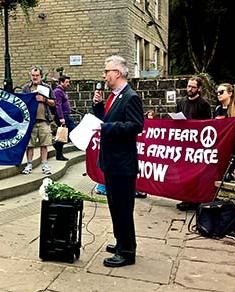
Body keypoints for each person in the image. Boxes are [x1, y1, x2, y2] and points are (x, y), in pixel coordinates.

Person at [92, 55, 144, 267]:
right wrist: (98, 107)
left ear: (118, 73)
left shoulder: (130, 96)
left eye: (107, 71)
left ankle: (128, 251)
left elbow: (135, 126)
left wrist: (107, 128)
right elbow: (107, 120)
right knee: (114, 206)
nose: (104, 76)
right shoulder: (114, 96)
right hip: (111, 162)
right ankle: (120, 241)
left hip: (123, 164)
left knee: (123, 208)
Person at [175, 76, 211, 211]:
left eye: (193, 87)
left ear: (199, 89)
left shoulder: (204, 104)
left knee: (195, 174)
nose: (189, 89)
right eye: (188, 86)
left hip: (196, 145)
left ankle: (194, 199)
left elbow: (208, 124)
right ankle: (185, 197)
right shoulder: (181, 102)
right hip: (183, 143)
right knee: (182, 172)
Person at [21, 66, 56, 175]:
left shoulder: (46, 87)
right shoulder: (26, 88)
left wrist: (44, 99)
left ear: (41, 76)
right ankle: (29, 164)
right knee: (29, 145)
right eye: (33, 75)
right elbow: (21, 103)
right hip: (30, 122)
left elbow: (54, 103)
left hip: (44, 120)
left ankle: (45, 165)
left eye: (37, 75)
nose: (35, 77)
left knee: (44, 144)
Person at [53, 75, 76, 161]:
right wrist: (61, 117)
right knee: (64, 134)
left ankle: (57, 145)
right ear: (61, 82)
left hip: (66, 115)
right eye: (66, 82)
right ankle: (59, 154)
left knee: (71, 132)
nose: (68, 84)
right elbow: (58, 105)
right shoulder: (58, 92)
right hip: (62, 116)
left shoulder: (62, 91)